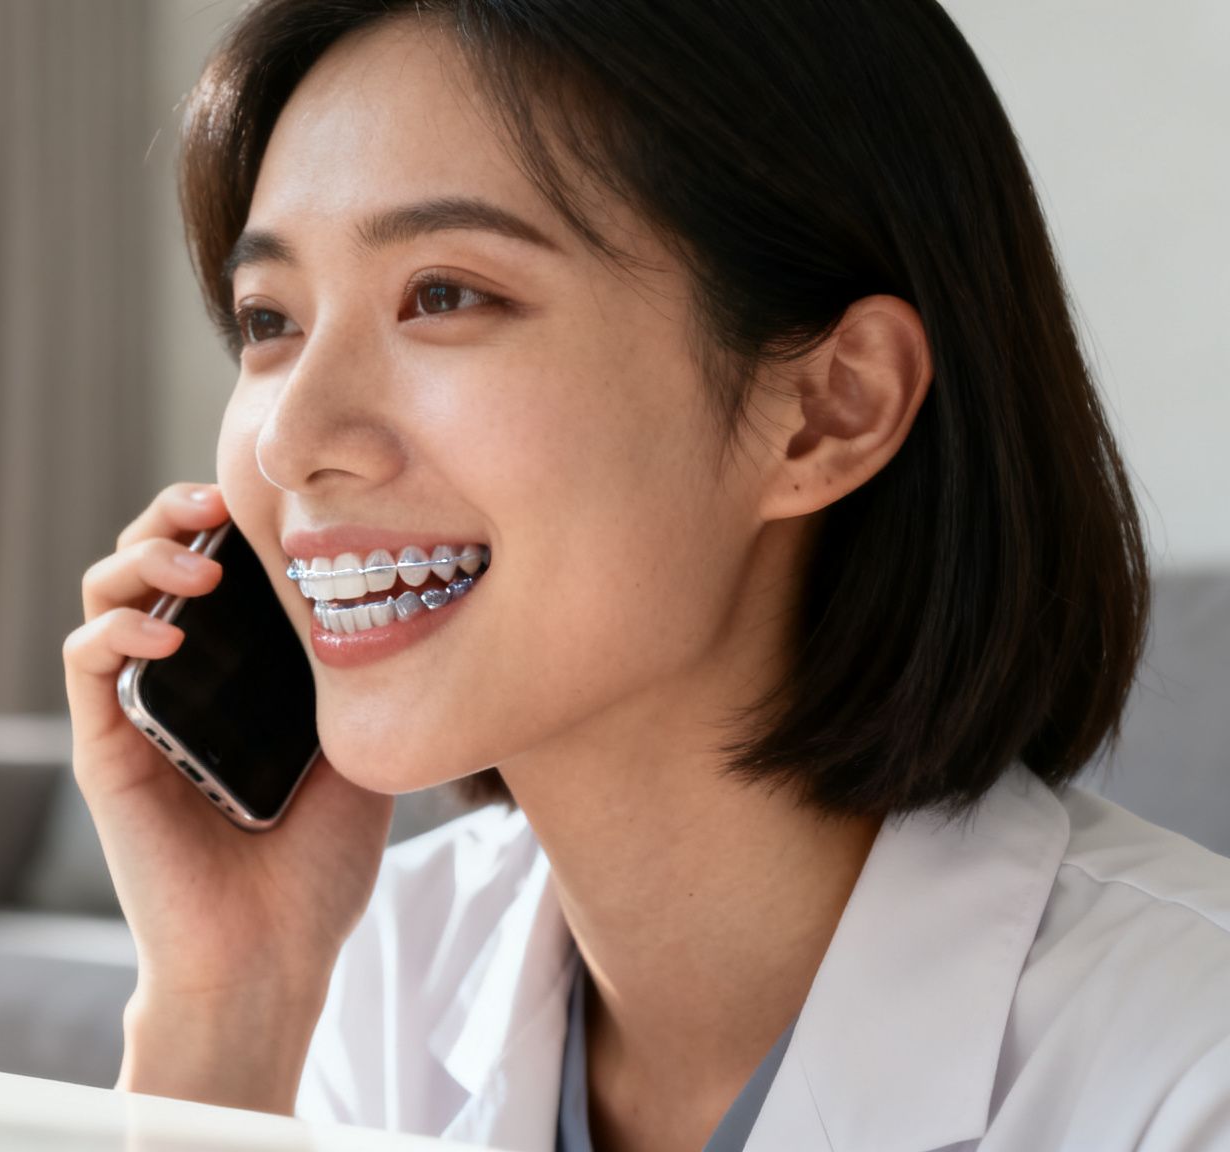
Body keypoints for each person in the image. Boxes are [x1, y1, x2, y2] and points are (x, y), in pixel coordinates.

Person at [59, 2, 1230, 1149]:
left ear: (828, 409)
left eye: (445, 295)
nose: (289, 438)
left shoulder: (1190, 1070)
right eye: (268, 319)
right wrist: (227, 1018)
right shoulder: (374, 977)